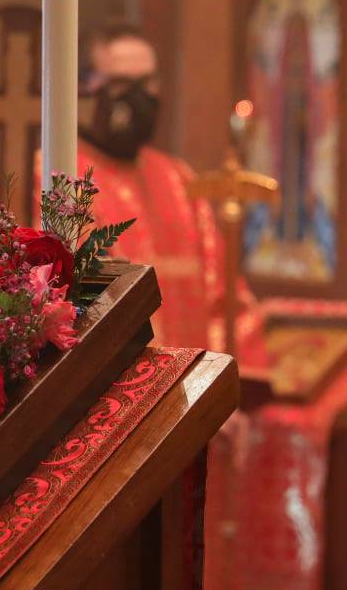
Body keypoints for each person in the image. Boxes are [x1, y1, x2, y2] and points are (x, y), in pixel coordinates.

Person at [50, 23, 265, 355]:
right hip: (118, 395)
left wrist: (232, 387)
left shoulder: (178, 178)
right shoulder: (61, 173)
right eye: (121, 83)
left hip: (194, 391)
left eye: (148, 83)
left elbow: (225, 299)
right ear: (85, 88)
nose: (139, 98)